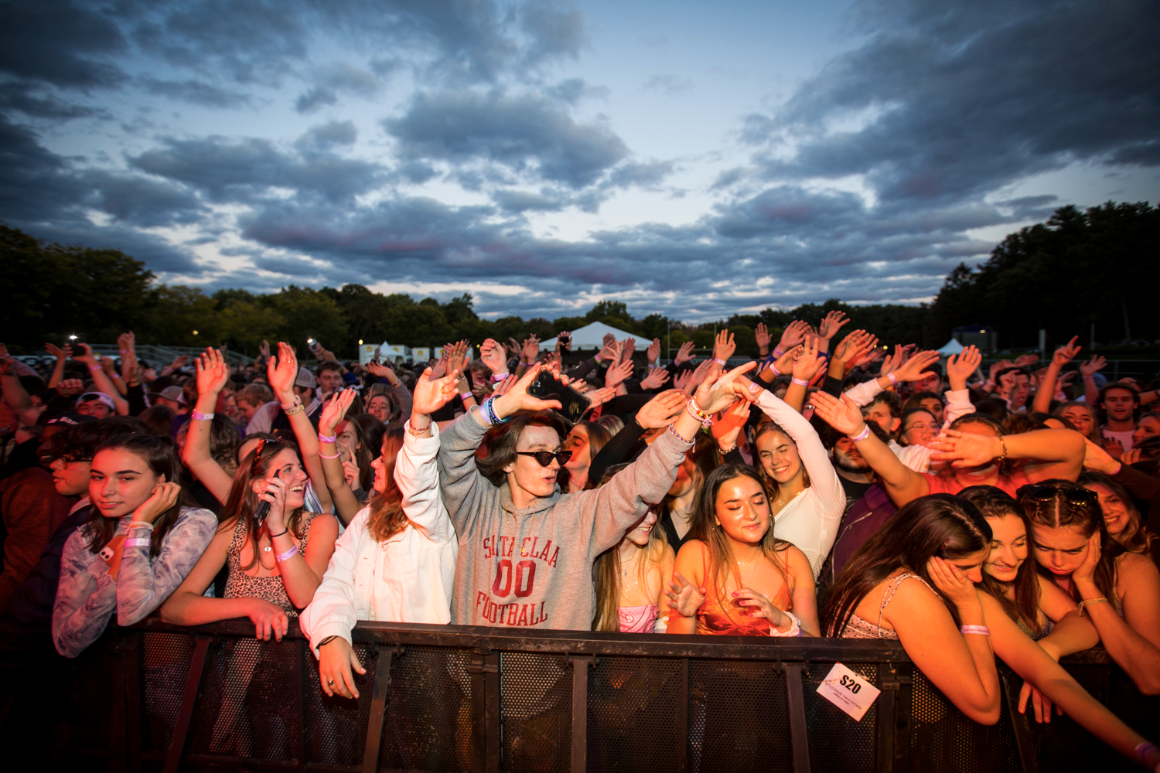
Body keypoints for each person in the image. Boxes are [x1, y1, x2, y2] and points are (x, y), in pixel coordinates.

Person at [825, 494, 1160, 766]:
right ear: (930, 553)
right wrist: (971, 610)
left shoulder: (877, 568)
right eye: (967, 567)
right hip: (876, 744)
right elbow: (985, 707)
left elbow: (1052, 675)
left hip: (849, 728)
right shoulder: (909, 592)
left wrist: (1139, 749)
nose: (975, 577)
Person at [433, 361, 753, 630]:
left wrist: (694, 414)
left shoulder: (578, 515)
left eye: (557, 455)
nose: (553, 465)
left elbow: (640, 481)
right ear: (507, 462)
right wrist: (503, 405)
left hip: (552, 692)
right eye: (541, 455)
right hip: (475, 685)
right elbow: (449, 450)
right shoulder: (476, 507)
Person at [300, 367, 460, 700]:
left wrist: (418, 419)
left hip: (425, 676)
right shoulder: (365, 518)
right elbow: (336, 583)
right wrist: (331, 636)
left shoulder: (434, 521)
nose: (373, 463)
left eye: (384, 458)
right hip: (366, 668)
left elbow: (418, 484)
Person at [52, 435, 216, 657]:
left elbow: (132, 610)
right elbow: (66, 644)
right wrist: (111, 579)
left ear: (161, 481)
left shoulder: (193, 523)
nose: (106, 490)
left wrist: (139, 526)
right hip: (102, 675)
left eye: (126, 478)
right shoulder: (84, 537)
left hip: (176, 671)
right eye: (98, 477)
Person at [811, 389, 1084, 507]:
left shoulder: (1024, 484)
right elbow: (894, 471)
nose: (970, 450)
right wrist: (859, 432)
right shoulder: (935, 489)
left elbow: (1073, 446)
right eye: (961, 441)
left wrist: (995, 447)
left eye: (979, 443)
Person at [1018, 480, 1160, 694]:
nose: (1058, 561)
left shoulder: (1131, 569)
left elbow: (1154, 679)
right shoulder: (1018, 571)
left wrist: (1086, 585)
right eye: (1043, 547)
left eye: (1073, 550)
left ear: (1096, 536)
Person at [663, 463, 818, 636]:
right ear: (715, 517)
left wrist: (783, 621)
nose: (751, 514)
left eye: (758, 502)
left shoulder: (793, 560)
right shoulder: (695, 555)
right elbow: (677, 652)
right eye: (735, 507)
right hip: (710, 664)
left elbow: (815, 649)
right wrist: (686, 616)